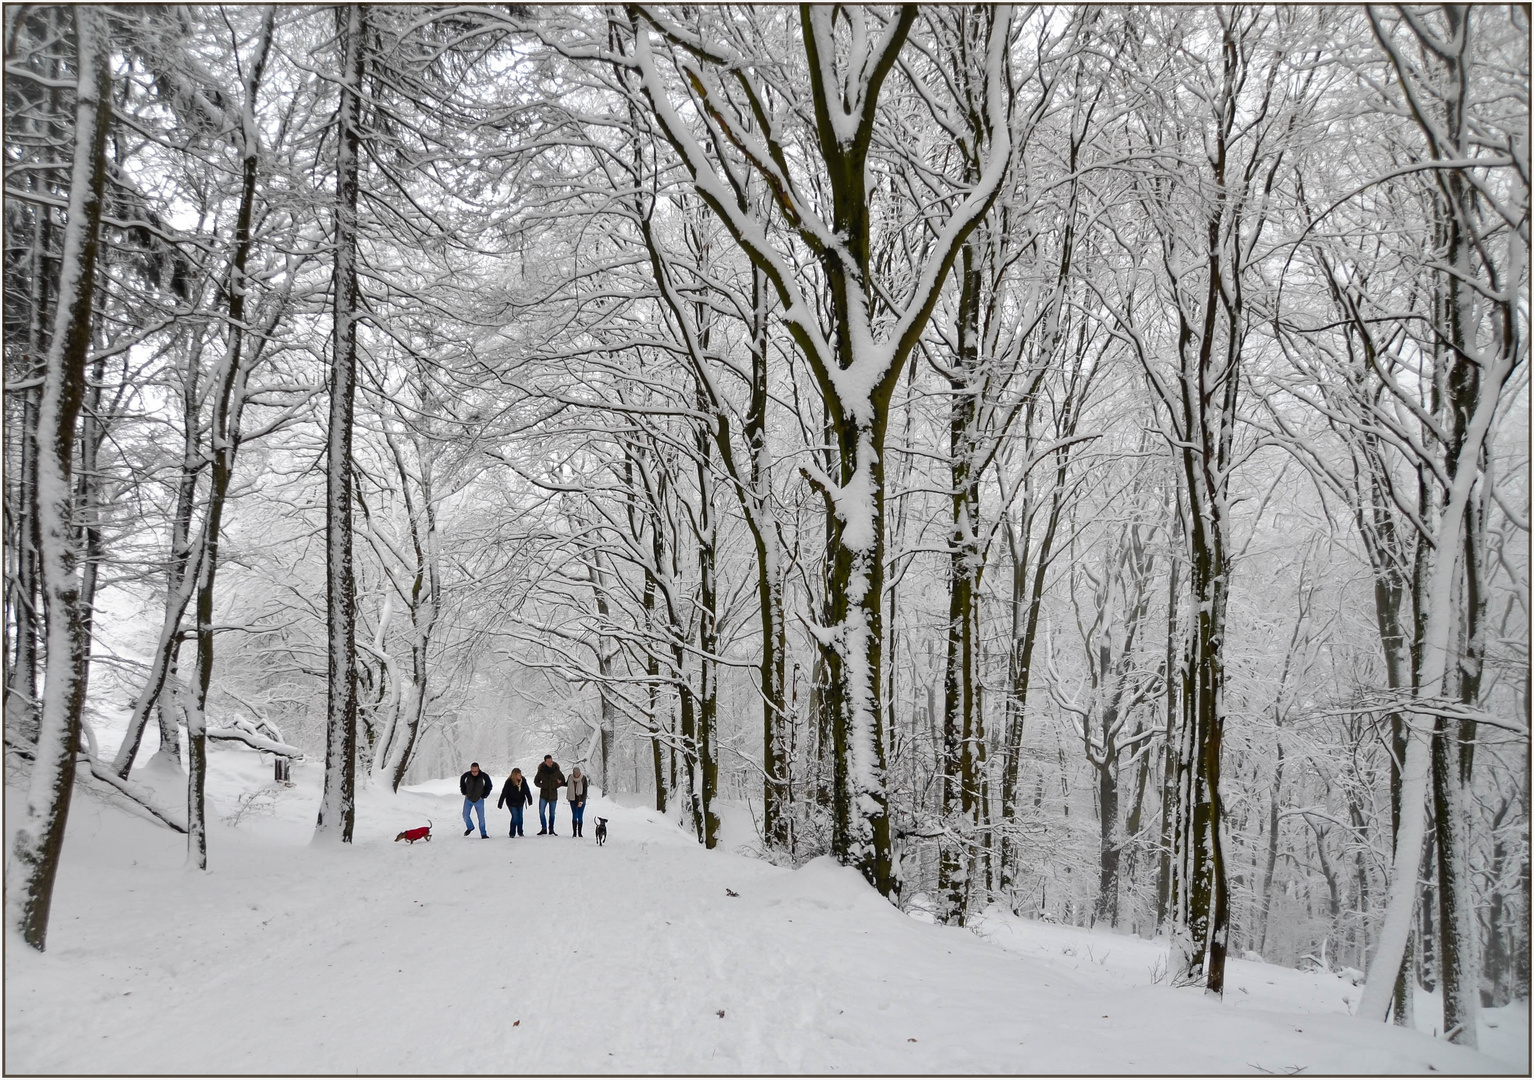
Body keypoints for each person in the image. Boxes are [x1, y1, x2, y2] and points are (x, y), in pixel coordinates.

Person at [533, 754, 565, 835]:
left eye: (551, 761)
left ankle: (551, 829)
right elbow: (536, 782)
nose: (550, 763)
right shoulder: (541, 771)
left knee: (552, 813)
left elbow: (563, 780)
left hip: (553, 795)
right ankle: (543, 828)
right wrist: (543, 786)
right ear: (545, 762)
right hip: (544, 794)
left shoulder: (557, 770)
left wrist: (557, 784)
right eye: (548, 762)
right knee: (541, 812)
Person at [460, 762, 492, 838]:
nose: (474, 773)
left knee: (481, 818)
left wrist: (484, 795)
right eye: (472, 771)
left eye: (476, 771)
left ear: (478, 769)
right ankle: (470, 827)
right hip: (468, 799)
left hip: (479, 800)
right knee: (465, 815)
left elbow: (489, 786)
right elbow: (462, 783)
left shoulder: (484, 776)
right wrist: (464, 792)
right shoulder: (466, 775)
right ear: (470, 769)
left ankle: (483, 834)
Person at [498, 767, 533, 838]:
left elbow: (527, 790)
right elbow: (504, 793)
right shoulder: (509, 782)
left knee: (520, 817)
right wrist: (500, 803)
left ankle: (520, 832)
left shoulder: (523, 781)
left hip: (520, 801)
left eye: (520, 774)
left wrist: (529, 799)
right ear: (514, 775)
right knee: (515, 817)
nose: (520, 776)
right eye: (518, 775)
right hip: (511, 802)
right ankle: (512, 833)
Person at [567, 767, 589, 838]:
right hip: (572, 799)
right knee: (574, 815)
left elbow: (585, 791)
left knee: (580, 815)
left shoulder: (583, 778)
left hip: (581, 799)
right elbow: (566, 784)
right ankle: (574, 833)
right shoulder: (570, 777)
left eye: (577, 774)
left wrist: (581, 801)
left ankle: (580, 833)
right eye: (575, 774)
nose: (576, 775)